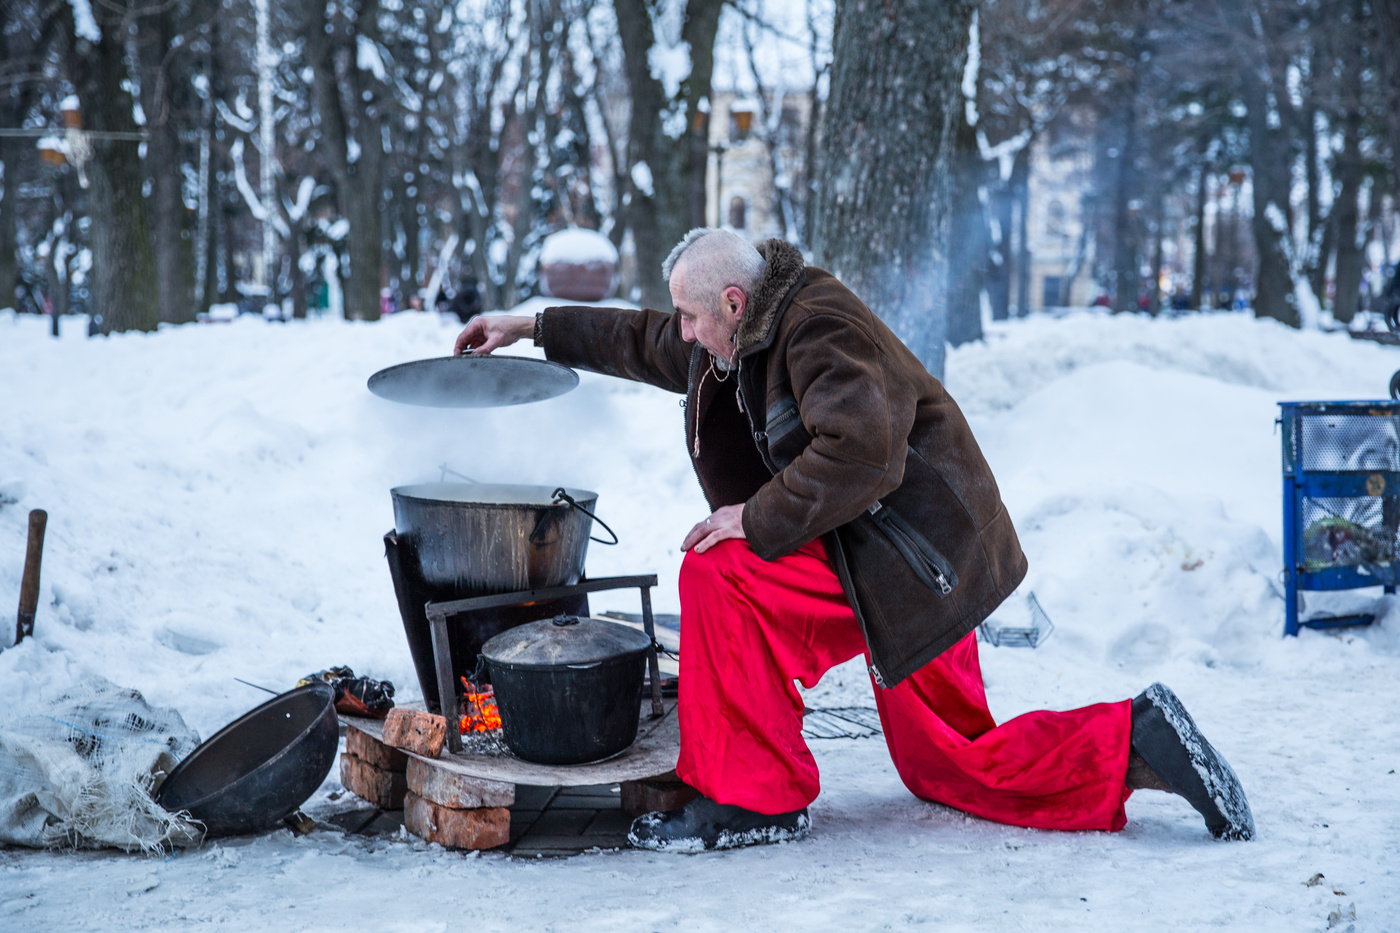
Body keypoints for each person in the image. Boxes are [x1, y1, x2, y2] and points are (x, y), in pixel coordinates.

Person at [453, 229, 1254, 851]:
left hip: (911, 565)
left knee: (727, 571)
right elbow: (642, 338)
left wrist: (757, 517)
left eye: (694, 316)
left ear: (734, 302)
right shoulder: (732, 334)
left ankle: (753, 798)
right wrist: (529, 324)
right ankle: (1132, 742)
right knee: (939, 758)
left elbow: (865, 452)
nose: (686, 333)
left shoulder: (818, 324)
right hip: (859, 550)